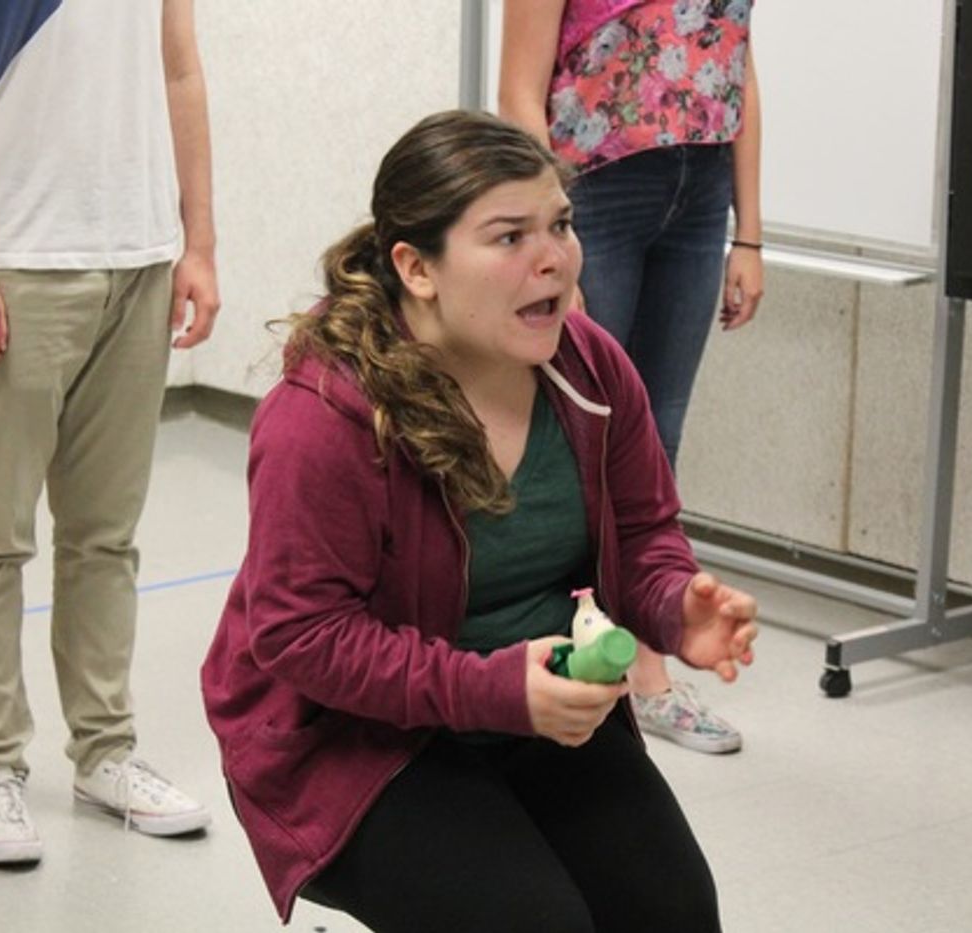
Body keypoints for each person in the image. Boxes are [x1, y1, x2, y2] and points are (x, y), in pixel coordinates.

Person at [201, 110, 757, 932]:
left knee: (673, 912)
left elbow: (644, 534)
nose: (554, 257)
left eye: (560, 224)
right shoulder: (321, 416)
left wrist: (676, 605)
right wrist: (492, 690)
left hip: (535, 706)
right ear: (416, 268)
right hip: (362, 737)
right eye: (509, 237)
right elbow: (302, 636)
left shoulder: (590, 366)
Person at [0, 0, 217, 864]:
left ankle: (105, 750)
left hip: (140, 260)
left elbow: (180, 68)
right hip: (15, 260)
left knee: (105, 535)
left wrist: (199, 243)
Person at [499, 0, 765, 755]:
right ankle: (544, 649)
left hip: (701, 189)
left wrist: (749, 233)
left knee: (657, 435)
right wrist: (551, 241)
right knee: (569, 429)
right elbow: (518, 92)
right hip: (596, 189)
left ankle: (646, 668)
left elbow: (738, 64)